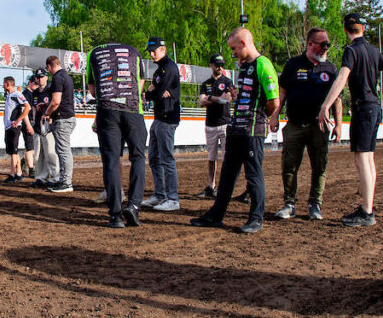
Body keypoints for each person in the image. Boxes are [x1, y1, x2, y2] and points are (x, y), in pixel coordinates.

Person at [190, 27, 279, 234]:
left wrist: (256, 116)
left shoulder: (263, 64)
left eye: (234, 48)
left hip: (252, 130)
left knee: (253, 174)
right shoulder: (245, 67)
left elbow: (273, 102)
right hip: (236, 129)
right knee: (228, 175)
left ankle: (256, 218)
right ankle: (215, 215)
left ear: (244, 43)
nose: (232, 54)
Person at [319, 12, 383, 227]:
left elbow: (342, 77)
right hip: (375, 108)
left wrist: (326, 105)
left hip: (363, 108)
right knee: (369, 158)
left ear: (346, 30)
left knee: (362, 158)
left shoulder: (351, 50)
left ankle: (366, 212)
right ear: (363, 29)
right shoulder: (374, 51)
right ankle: (368, 206)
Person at [274, 27, 342, 221]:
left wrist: (338, 124)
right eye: (322, 45)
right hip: (294, 124)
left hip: (319, 127)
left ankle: (315, 204)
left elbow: (337, 99)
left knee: (319, 166)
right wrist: (274, 116)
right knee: (289, 166)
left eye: (327, 45)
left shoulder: (330, 69)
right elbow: (282, 92)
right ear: (310, 44)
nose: (325, 49)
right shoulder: (293, 64)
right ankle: (289, 204)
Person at [86, 42, 148, 228]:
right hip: (133, 110)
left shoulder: (94, 53)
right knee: (137, 157)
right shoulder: (135, 52)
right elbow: (141, 84)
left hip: (107, 110)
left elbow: (92, 88)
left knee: (111, 161)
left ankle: (115, 216)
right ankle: (134, 206)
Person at [142, 37, 181, 212]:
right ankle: (159, 194)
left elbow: (155, 94)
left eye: (154, 50)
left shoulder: (170, 68)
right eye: (150, 51)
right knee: (153, 158)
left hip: (167, 119)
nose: (151, 54)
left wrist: (153, 93)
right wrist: (154, 92)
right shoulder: (159, 71)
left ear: (163, 50)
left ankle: (173, 198)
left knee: (166, 159)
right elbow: (154, 93)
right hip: (158, 118)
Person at [196, 53, 235, 198]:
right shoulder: (206, 83)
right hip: (210, 124)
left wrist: (210, 98)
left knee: (227, 158)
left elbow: (228, 100)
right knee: (211, 157)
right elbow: (201, 102)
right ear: (211, 65)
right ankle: (211, 186)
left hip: (225, 123)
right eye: (217, 64)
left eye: (222, 65)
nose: (220, 67)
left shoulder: (228, 81)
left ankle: (224, 187)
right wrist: (218, 99)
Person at [42, 55, 77, 193]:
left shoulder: (57, 77)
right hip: (66, 117)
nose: (48, 71)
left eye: (47, 68)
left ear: (49, 66)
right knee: (63, 150)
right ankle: (64, 181)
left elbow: (56, 101)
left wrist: (46, 113)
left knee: (63, 151)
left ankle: (66, 182)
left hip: (63, 118)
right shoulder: (66, 76)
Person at [29, 69, 60, 188]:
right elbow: (34, 108)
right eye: (38, 77)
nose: (40, 79)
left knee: (50, 152)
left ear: (46, 77)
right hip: (38, 125)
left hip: (48, 125)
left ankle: (55, 177)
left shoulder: (51, 90)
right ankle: (41, 177)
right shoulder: (35, 93)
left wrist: (52, 117)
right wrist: (33, 121)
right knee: (39, 154)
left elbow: (56, 103)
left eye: (42, 77)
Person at [2, 76, 33, 182]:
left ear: (7, 84)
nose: (3, 86)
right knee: (12, 151)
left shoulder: (16, 95)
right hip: (9, 127)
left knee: (13, 152)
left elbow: (27, 107)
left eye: (4, 83)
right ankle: (19, 173)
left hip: (13, 127)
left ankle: (12, 174)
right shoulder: (10, 96)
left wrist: (18, 120)